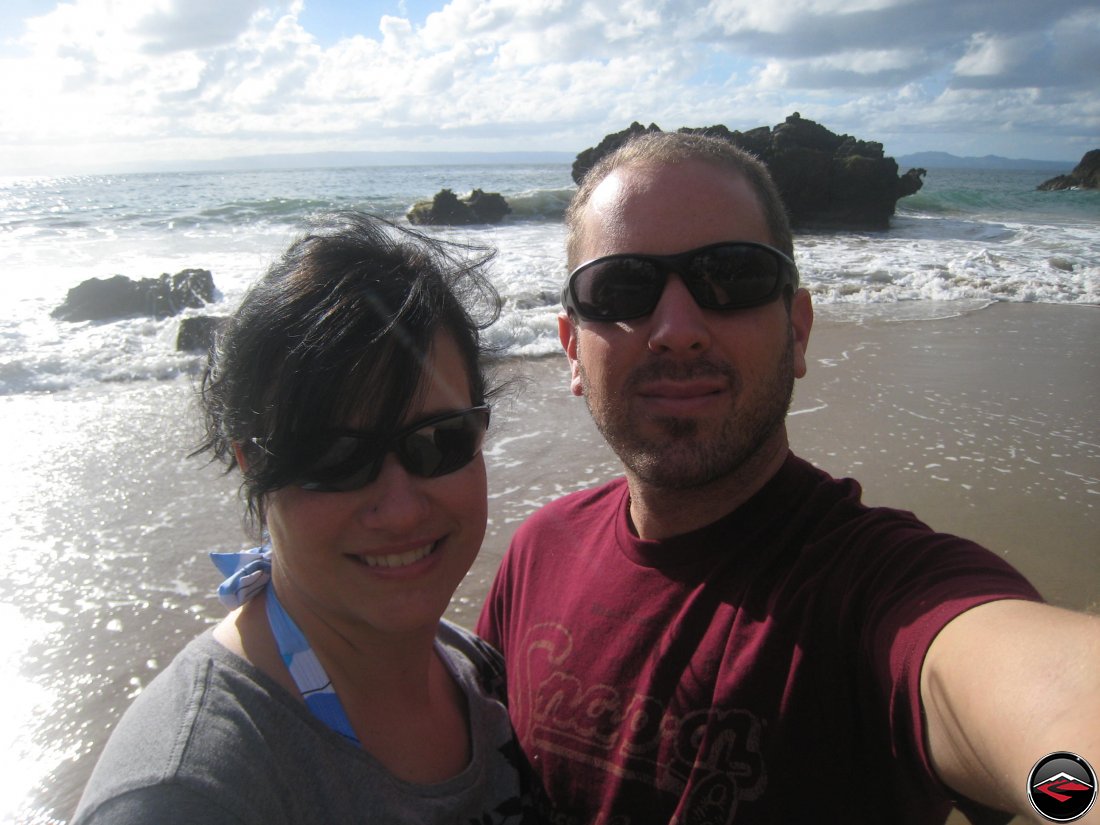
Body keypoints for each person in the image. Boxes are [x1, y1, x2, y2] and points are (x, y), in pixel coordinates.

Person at [477, 133, 1100, 824]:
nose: (677, 329)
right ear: (570, 347)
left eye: (733, 276)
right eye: (621, 287)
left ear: (797, 330)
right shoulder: (539, 551)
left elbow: (1055, 721)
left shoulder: (875, 591)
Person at [74, 213, 537, 824]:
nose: (399, 508)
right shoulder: (187, 793)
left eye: (439, 440)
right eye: (334, 457)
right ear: (252, 465)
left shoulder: (476, 670)